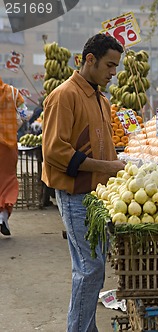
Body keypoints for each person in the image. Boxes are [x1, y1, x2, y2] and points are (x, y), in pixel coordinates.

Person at [41, 33, 125, 332]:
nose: (113, 73)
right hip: (75, 195)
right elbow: (54, 151)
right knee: (89, 270)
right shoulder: (65, 95)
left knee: (94, 269)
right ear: (90, 59)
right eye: (110, 65)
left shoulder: (101, 99)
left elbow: (103, 145)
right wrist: (108, 166)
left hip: (96, 197)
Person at [0, 75, 25, 236]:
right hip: (8, 146)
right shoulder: (13, 92)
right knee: (8, 180)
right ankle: (2, 215)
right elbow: (23, 114)